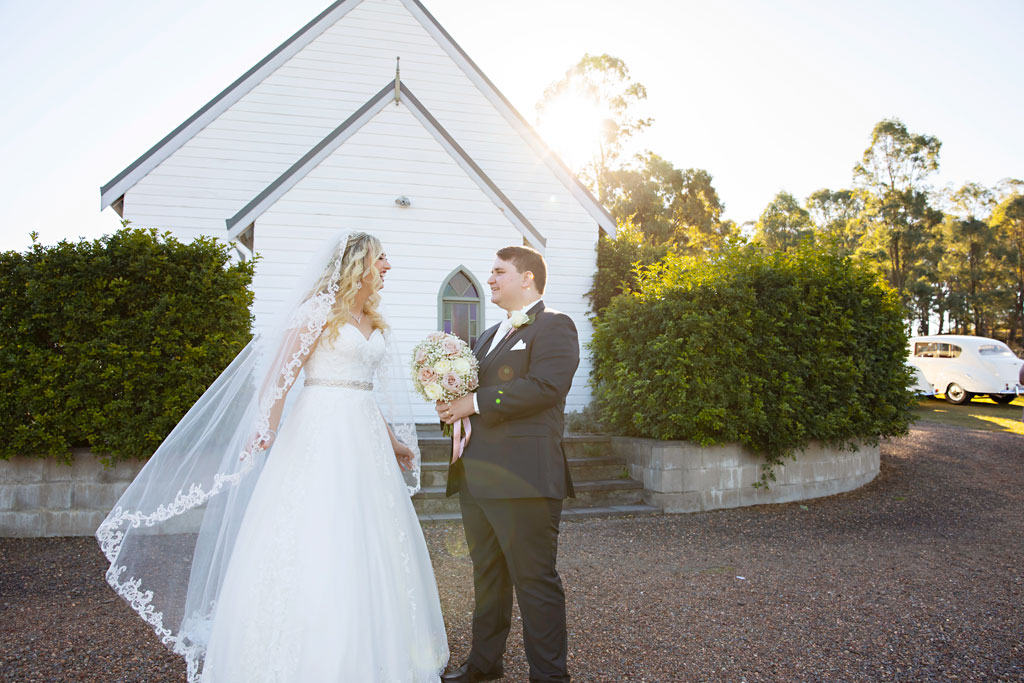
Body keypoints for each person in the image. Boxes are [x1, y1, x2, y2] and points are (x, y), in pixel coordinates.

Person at [97, 232, 449, 683]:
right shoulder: (318, 310)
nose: (388, 266)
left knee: (371, 533)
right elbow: (280, 376)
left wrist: (393, 440)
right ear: (359, 264)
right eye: (382, 258)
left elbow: (364, 390)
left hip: (365, 439)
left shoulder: (372, 319)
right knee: (316, 529)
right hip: (319, 430)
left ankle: (377, 648)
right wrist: (263, 427)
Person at [436, 246, 580, 683]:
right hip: (476, 476)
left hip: (525, 478)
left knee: (535, 583)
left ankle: (550, 677)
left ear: (528, 279)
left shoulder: (555, 325)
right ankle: (484, 664)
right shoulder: (486, 336)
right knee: (488, 577)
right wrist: (450, 405)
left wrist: (474, 402)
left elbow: (546, 387)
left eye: (499, 272)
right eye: (491, 273)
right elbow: (471, 397)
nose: (491, 280)